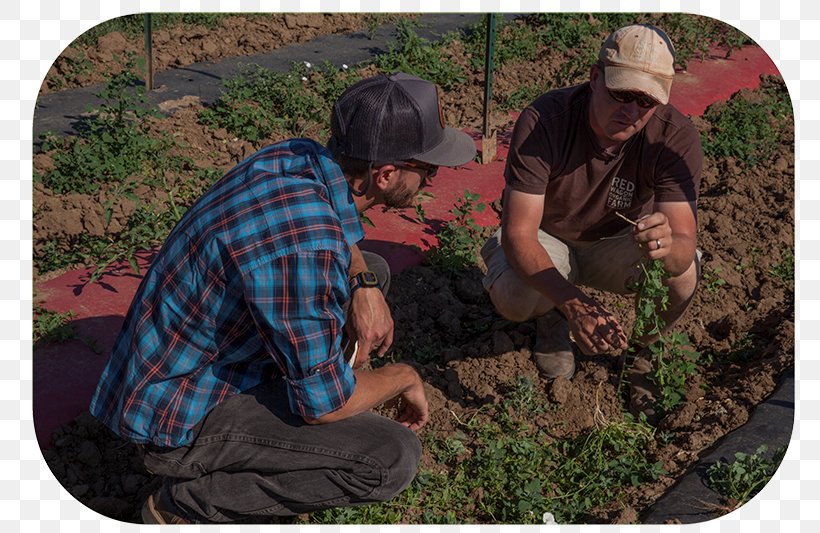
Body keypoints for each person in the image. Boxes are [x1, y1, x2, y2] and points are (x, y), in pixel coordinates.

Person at [89, 72, 476, 524]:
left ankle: (299, 415)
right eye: (427, 170)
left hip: (176, 371)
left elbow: (334, 229)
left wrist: (365, 285)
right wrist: (403, 376)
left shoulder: (298, 157)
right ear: (385, 175)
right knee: (391, 458)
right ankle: (187, 506)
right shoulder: (306, 246)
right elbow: (324, 406)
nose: (432, 179)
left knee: (375, 270)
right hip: (179, 417)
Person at [480, 24, 702, 421]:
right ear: (596, 77)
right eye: (621, 94)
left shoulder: (673, 137)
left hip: (618, 240)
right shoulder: (546, 120)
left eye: (645, 101)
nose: (631, 111)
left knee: (683, 275)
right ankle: (550, 316)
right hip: (546, 238)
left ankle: (642, 352)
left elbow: (683, 241)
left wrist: (669, 245)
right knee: (516, 294)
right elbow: (518, 234)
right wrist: (574, 304)